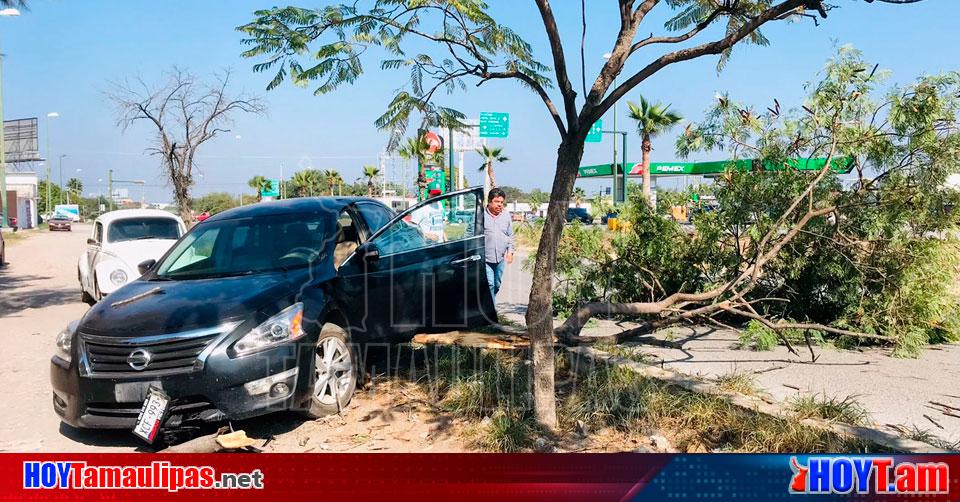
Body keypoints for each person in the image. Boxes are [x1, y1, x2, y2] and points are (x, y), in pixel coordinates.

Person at [483, 187, 513, 303]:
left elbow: (510, 235)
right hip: (485, 258)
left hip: (500, 258)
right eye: (497, 202)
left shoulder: (506, 215)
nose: (500, 205)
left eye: (501, 202)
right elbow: (470, 233)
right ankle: (491, 312)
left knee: (497, 284)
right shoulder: (481, 215)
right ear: (489, 202)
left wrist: (510, 251)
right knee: (490, 284)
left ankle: (489, 303)